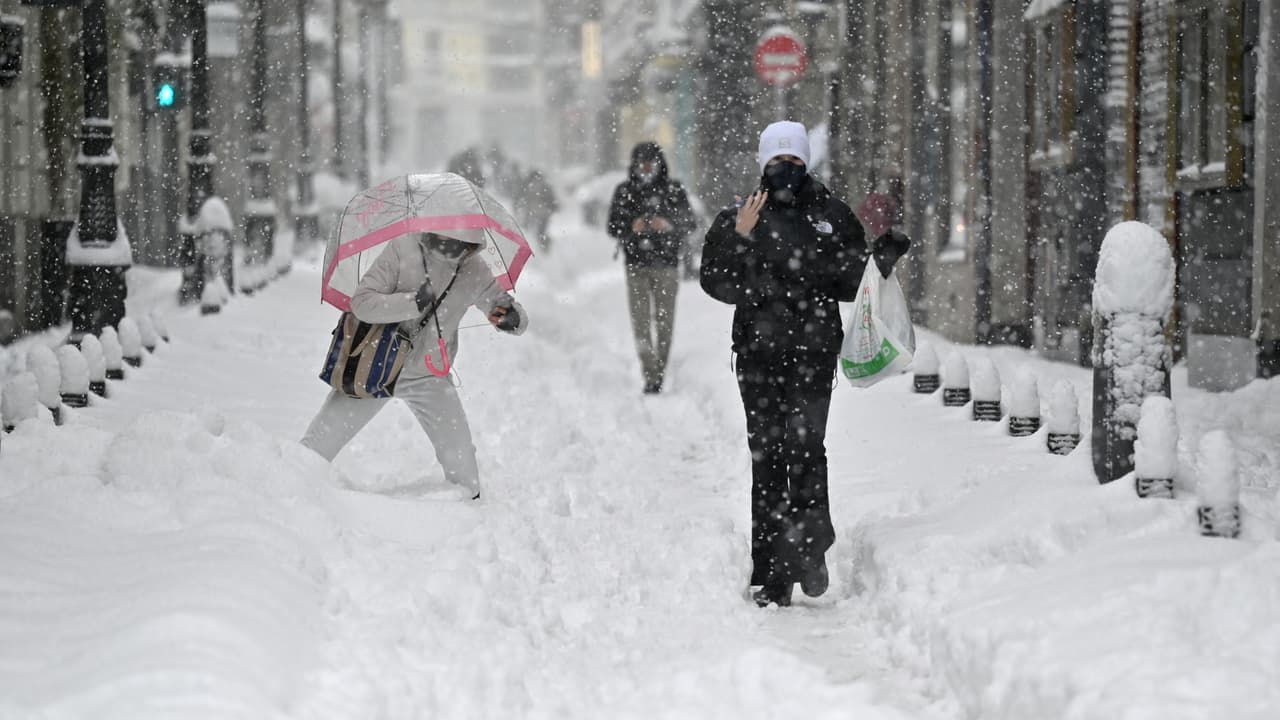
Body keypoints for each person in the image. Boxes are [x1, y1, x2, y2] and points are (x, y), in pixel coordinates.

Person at [699, 121, 910, 607]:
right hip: (757, 357)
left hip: (813, 356)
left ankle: (811, 550)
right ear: (762, 163)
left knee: (807, 451)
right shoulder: (739, 214)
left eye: (794, 161)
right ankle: (772, 574)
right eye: (776, 161)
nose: (785, 170)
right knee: (768, 462)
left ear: (805, 162)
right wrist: (740, 237)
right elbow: (718, 284)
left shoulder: (832, 215)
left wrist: (881, 260)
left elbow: (850, 283)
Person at [301, 231, 528, 500]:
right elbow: (362, 303)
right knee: (311, 454)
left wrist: (512, 319)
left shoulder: (473, 267)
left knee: (466, 479)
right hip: (374, 368)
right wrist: (414, 302)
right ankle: (287, 501)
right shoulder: (402, 247)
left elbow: (505, 307)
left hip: (429, 376)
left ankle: (467, 521)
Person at [606, 142, 698, 394]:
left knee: (665, 321)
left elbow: (689, 223)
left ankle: (660, 368)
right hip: (635, 264)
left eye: (650, 163)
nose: (646, 168)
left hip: (667, 265)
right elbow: (612, 226)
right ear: (634, 165)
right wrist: (631, 226)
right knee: (641, 322)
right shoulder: (624, 191)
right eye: (641, 164)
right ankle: (651, 374)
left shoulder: (673, 189)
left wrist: (667, 225)